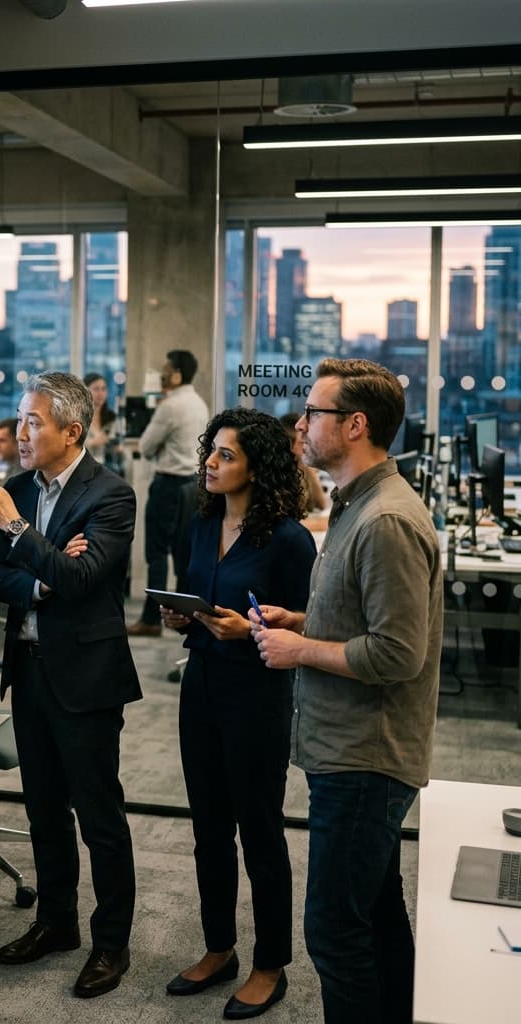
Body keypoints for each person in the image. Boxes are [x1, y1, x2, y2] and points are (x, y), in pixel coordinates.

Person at [253, 358, 442, 1024]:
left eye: (315, 413)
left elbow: (397, 652)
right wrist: (302, 621)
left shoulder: (385, 520)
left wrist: (298, 649)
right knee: (376, 914)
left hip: (367, 757)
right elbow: (368, 621)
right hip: (349, 748)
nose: (301, 424)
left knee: (334, 933)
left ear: (355, 425)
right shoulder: (355, 504)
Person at [0, 371, 141, 1000]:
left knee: (100, 816)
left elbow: (86, 578)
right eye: (20, 419)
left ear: (73, 431)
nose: (20, 433)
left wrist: (22, 534)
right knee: (43, 809)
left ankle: (111, 943)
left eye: (34, 422)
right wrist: (43, 571)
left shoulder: (111, 495)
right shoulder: (16, 488)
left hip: (88, 678)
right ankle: (56, 922)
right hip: (30, 669)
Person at [160, 408, 316, 1020]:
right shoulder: (201, 523)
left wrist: (248, 627)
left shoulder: (288, 538)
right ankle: (219, 947)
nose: (211, 463)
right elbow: (192, 590)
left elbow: (310, 620)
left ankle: (270, 963)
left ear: (258, 466)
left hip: (256, 693)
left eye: (226, 455)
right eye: (211, 452)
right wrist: (182, 616)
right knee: (207, 830)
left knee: (259, 831)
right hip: (199, 684)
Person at [128, 349, 208, 637]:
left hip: (168, 486)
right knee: (183, 555)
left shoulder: (170, 406)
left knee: (157, 554)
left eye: (165, 369)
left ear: (176, 374)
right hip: (193, 486)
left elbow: (146, 447)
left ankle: (151, 620)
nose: (161, 373)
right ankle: (183, 619)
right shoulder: (199, 403)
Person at [279, 411, 329, 513]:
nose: (306, 446)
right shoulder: (279, 476)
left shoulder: (304, 466)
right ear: (288, 445)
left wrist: (310, 470)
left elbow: (321, 505)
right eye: (302, 443)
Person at [83, 372, 125, 476]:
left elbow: (120, 444)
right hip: (85, 472)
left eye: (103, 389)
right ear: (86, 391)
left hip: (109, 472)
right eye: (96, 389)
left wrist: (118, 448)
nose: (100, 393)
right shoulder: (78, 418)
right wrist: (91, 443)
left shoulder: (112, 418)